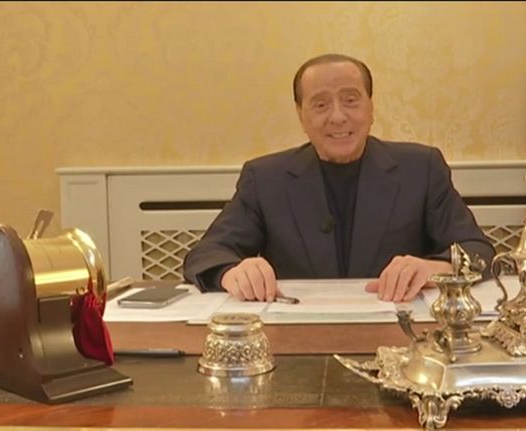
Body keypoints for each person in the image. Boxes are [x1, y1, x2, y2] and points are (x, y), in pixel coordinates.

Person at [183, 53, 495, 303]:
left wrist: (435, 269)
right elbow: (206, 255)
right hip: (297, 338)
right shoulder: (265, 178)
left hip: (399, 335)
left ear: (371, 108)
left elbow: (477, 249)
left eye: (350, 100)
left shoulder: (421, 168)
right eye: (320, 104)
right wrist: (234, 272)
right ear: (301, 115)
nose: (337, 117)